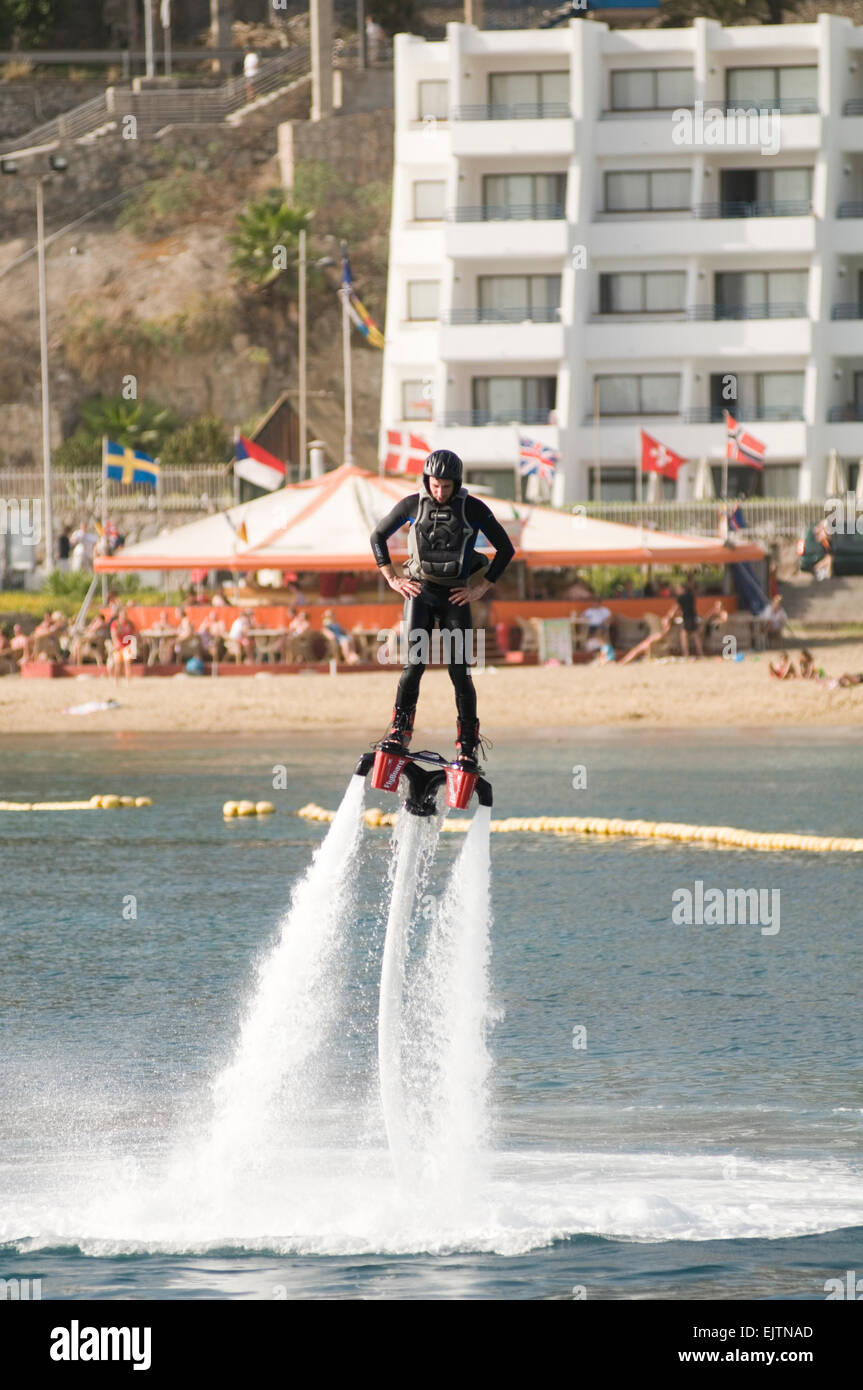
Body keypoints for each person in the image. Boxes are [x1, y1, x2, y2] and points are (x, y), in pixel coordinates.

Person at [369, 449, 515, 767]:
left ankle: (467, 745)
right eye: (435, 485)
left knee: (460, 673)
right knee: (414, 666)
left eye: (446, 486)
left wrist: (482, 587)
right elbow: (378, 536)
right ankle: (399, 731)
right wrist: (392, 578)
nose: (440, 492)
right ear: (427, 481)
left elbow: (505, 549)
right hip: (419, 593)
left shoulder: (473, 508)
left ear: (456, 483)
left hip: (455, 598)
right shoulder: (411, 504)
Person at [673, 575, 702, 658]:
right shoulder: (691, 596)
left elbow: (675, 609)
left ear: (682, 589)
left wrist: (669, 617)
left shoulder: (681, 597)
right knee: (696, 635)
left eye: (678, 589)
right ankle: (700, 653)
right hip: (693, 617)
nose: (676, 591)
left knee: (683, 635)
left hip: (686, 618)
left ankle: (686, 654)